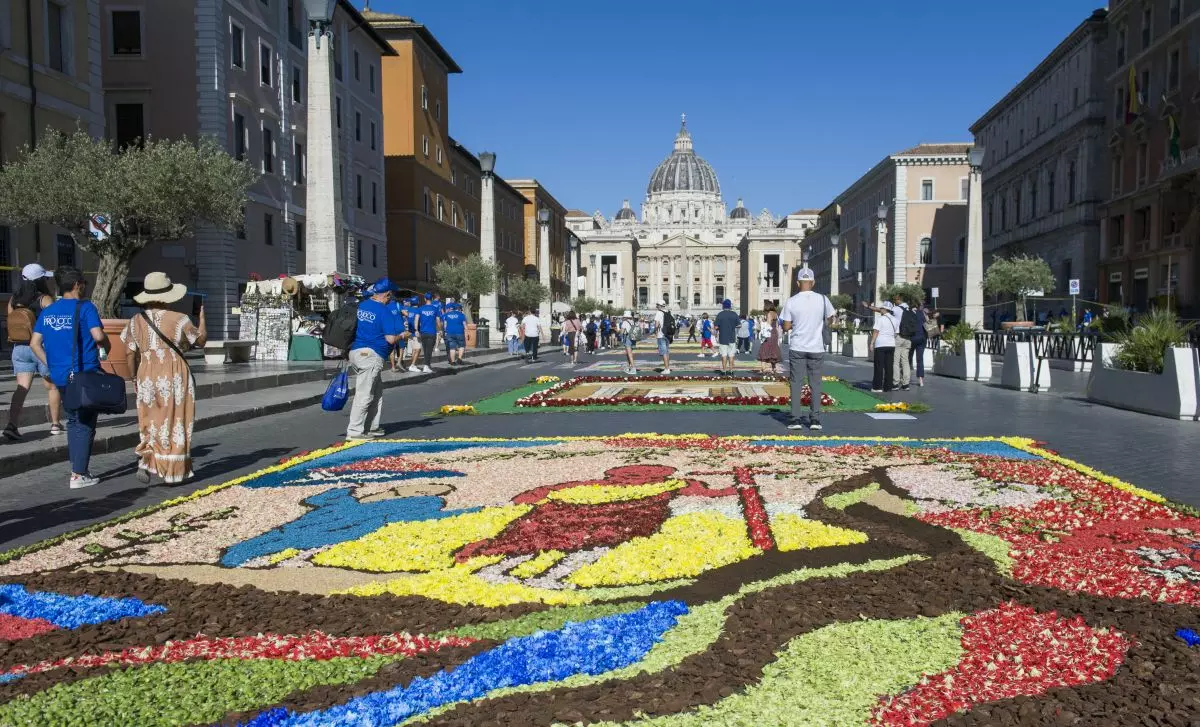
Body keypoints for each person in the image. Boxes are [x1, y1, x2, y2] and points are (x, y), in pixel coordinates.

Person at [120, 272, 207, 484]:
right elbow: (200, 341)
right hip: (174, 371)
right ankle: (172, 471)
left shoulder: (135, 321)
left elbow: (129, 352)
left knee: (151, 417)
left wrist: (133, 377)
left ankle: (146, 460)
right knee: (177, 417)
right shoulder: (179, 319)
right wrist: (202, 317)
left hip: (146, 372)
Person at [28, 266, 110, 489]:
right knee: (84, 423)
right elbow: (98, 335)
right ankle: (79, 474)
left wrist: (52, 364)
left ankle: (78, 468)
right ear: (77, 285)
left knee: (73, 420)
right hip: (84, 373)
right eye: (83, 282)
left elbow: (34, 344)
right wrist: (105, 345)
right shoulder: (86, 307)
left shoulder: (49, 311)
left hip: (61, 375)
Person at [4, 263, 62, 442]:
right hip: (41, 347)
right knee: (52, 386)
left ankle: (12, 425)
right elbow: (54, 325)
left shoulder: (13, 299)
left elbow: (11, 320)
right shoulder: (45, 299)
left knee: (21, 389)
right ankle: (55, 424)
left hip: (20, 348)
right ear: (40, 280)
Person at [345, 278, 407, 440]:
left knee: (377, 392)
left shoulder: (362, 305)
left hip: (356, 352)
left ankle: (371, 426)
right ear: (385, 294)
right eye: (390, 296)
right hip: (371, 355)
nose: (390, 299)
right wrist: (403, 335)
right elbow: (390, 339)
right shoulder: (383, 311)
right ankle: (355, 431)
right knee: (364, 393)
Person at [780, 269, 836, 430]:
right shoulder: (823, 300)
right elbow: (830, 319)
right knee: (816, 384)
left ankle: (796, 419)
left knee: (796, 383)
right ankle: (815, 420)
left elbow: (787, 326)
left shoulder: (791, 301)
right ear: (813, 282)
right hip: (816, 347)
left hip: (798, 346)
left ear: (798, 283)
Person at [867, 301, 898, 393]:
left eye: (881, 308)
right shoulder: (895, 320)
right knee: (889, 366)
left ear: (884, 309)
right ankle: (888, 386)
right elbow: (896, 333)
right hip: (891, 344)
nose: (880, 310)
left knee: (879, 366)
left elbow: (876, 332)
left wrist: (871, 343)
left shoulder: (880, 319)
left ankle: (877, 387)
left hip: (880, 344)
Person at [891, 293, 914, 391]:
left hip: (899, 337)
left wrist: (870, 307)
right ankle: (906, 384)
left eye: (895, 300)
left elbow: (883, 311)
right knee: (905, 361)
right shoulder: (911, 309)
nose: (894, 302)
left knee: (895, 361)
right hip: (908, 338)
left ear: (898, 300)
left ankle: (895, 383)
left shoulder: (896, 309)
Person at [415, 294, 442, 373]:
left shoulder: (420, 308)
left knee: (425, 349)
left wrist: (416, 330)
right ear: (432, 299)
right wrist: (440, 329)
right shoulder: (435, 308)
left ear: (424, 299)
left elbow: (416, 319)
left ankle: (428, 364)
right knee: (429, 350)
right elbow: (438, 321)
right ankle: (426, 366)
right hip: (432, 332)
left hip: (423, 332)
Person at [714, 300, 740, 376]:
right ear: (730, 306)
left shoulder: (720, 314)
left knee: (724, 355)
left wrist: (720, 328)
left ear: (723, 306)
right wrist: (732, 326)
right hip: (732, 337)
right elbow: (739, 325)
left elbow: (715, 327)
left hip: (723, 338)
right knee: (731, 355)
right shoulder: (734, 314)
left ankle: (724, 370)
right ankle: (731, 370)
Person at [757, 308, 782, 374]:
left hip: (769, 333)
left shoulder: (769, 314)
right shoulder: (775, 314)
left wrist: (761, 322)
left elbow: (768, 324)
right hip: (775, 333)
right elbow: (776, 326)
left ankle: (763, 368)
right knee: (773, 350)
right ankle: (774, 368)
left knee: (764, 349)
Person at [911, 303, 931, 387]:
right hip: (922, 338)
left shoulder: (912, 312)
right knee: (920, 359)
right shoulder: (924, 313)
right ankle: (921, 380)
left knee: (908, 358)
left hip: (913, 337)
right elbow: (929, 324)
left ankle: (905, 377)